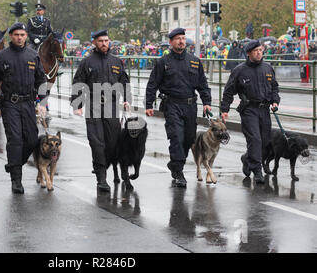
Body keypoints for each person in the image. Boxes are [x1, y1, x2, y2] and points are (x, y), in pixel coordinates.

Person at [0, 22, 48, 195]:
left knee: (32, 140)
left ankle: (14, 164)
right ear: (11, 36)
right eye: (16, 34)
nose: (20, 37)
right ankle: (16, 180)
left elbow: (41, 80)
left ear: (26, 36)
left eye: (23, 35)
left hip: (28, 104)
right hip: (10, 103)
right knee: (15, 140)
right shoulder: (2, 56)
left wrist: (43, 103)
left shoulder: (33, 55)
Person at [145, 28, 212, 188]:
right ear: (171, 42)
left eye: (183, 38)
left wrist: (207, 102)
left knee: (189, 139)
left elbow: (203, 84)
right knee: (176, 137)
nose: (181, 41)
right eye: (177, 39)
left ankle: (175, 164)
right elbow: (152, 84)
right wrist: (149, 104)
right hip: (172, 105)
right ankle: (179, 172)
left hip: (190, 106)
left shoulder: (195, 61)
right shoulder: (163, 62)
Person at [71, 30, 132, 193]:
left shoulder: (117, 61)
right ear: (94, 43)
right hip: (93, 105)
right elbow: (78, 82)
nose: (104, 43)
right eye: (100, 41)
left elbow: (124, 81)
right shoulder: (87, 62)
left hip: (112, 106)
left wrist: (127, 99)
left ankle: (109, 169)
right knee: (97, 142)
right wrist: (77, 104)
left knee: (112, 143)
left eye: (106, 40)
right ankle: (101, 178)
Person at [221, 40, 280, 184]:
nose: (259, 53)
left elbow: (274, 87)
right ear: (248, 53)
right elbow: (229, 91)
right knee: (255, 139)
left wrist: (275, 101)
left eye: (260, 50)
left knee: (265, 141)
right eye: (256, 51)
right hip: (249, 110)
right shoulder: (240, 70)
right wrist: (224, 109)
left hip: (264, 109)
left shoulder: (268, 68)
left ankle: (247, 158)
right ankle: (257, 170)